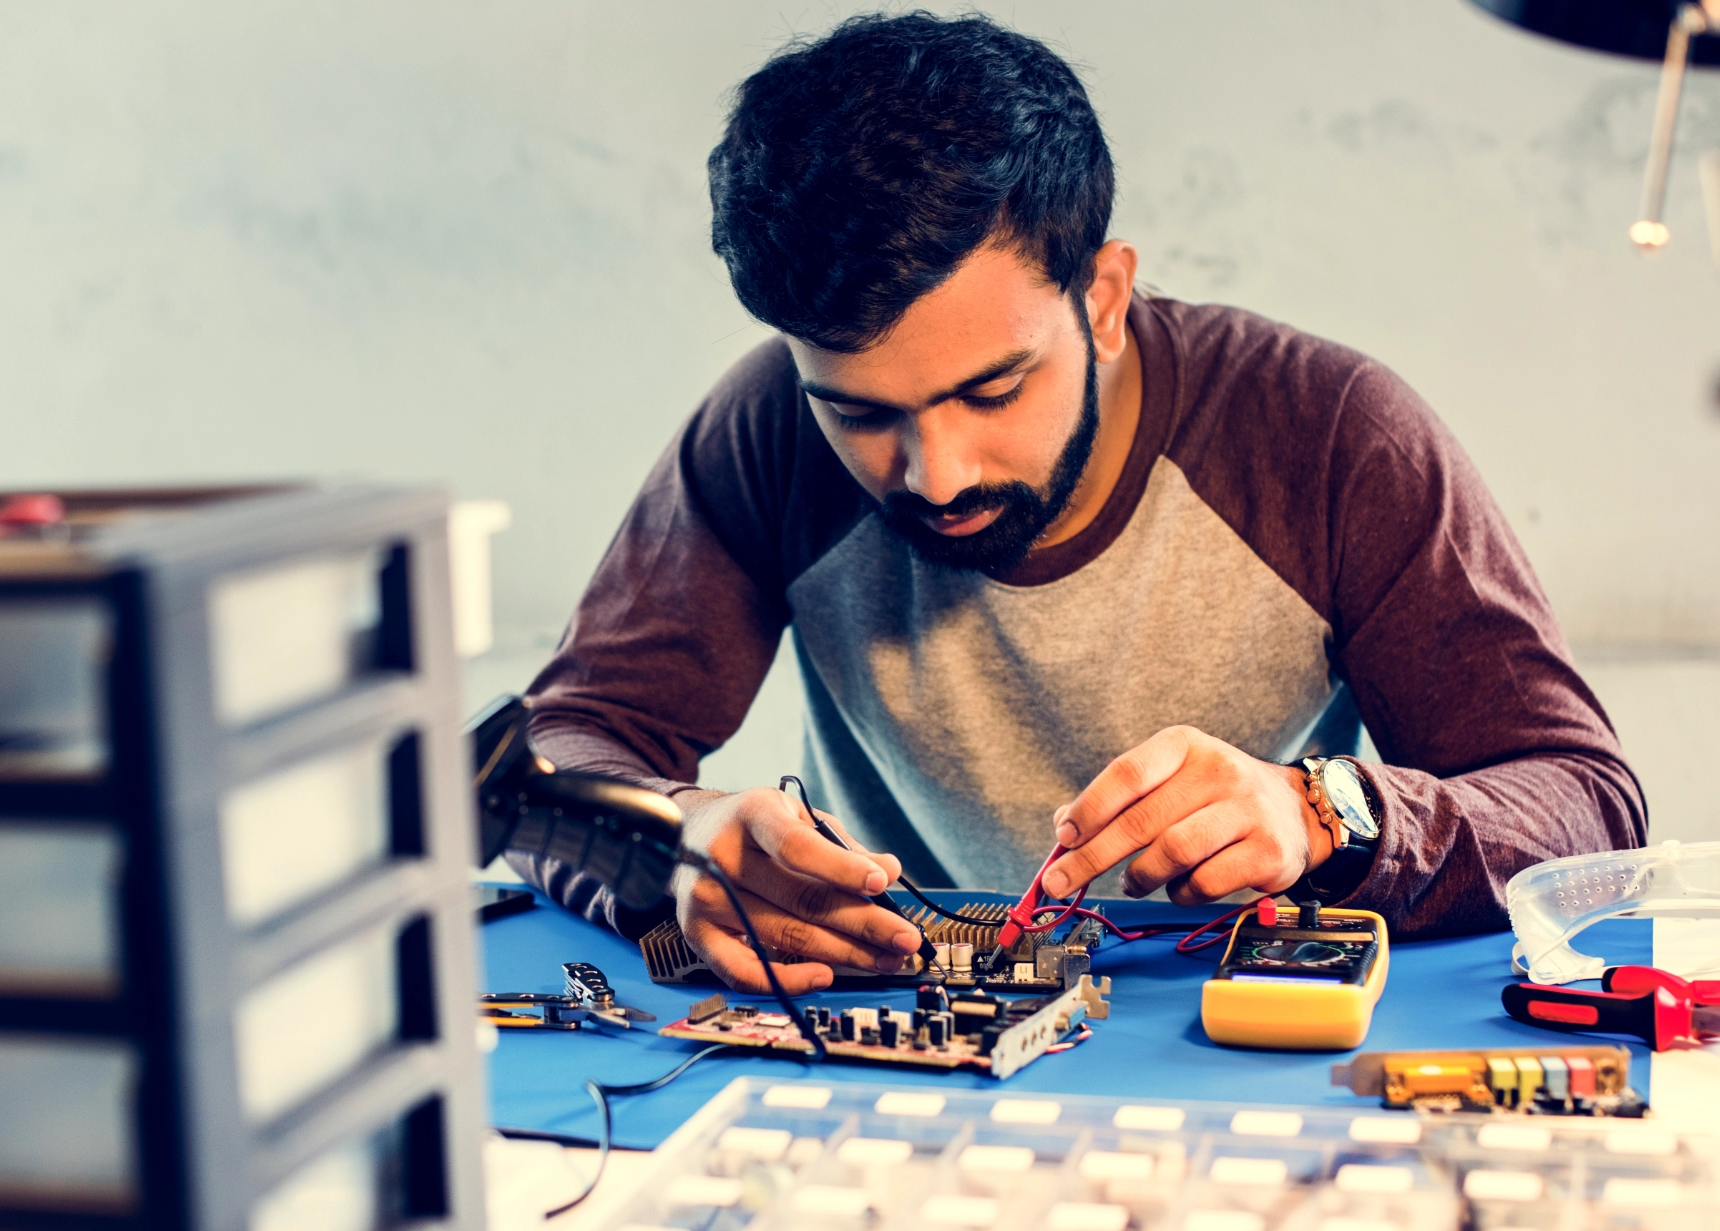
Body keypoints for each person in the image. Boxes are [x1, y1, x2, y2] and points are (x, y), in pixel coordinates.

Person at [506, 12, 1646, 994]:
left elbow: (1583, 803)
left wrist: (1320, 813)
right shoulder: (764, 427)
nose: (934, 472)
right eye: (860, 415)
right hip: (890, 1011)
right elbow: (557, 751)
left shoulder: (1333, 433)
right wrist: (679, 841)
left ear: (1103, 297)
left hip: (1233, 1020)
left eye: (992, 388)